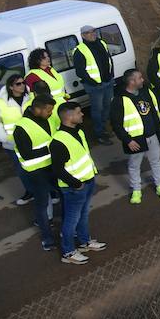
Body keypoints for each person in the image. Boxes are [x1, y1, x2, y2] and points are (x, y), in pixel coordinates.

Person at [50, 102, 105, 265]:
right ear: (69, 116)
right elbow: (58, 170)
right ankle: (68, 252)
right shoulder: (58, 141)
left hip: (87, 181)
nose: (82, 115)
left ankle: (84, 242)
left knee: (83, 214)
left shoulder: (78, 131)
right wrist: (76, 184)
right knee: (71, 220)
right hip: (75, 188)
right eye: (79, 112)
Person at [112, 69, 160, 204]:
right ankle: (136, 190)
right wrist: (128, 140)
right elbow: (116, 124)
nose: (143, 80)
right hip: (135, 141)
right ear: (132, 81)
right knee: (134, 166)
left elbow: (157, 110)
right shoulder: (119, 100)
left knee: (156, 161)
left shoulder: (146, 92)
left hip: (152, 136)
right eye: (139, 78)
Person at [13, 96, 59, 250]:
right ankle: (47, 238)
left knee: (63, 196)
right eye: (48, 110)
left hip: (53, 167)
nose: (51, 113)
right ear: (37, 109)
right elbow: (26, 154)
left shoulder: (49, 118)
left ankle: (66, 231)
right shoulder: (21, 128)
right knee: (42, 205)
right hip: (36, 172)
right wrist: (52, 149)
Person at [0, 73, 31, 204]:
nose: (22, 86)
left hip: (34, 140)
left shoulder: (31, 98)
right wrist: (5, 138)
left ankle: (50, 192)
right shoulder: (2, 103)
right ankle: (30, 192)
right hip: (13, 144)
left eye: (23, 83)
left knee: (40, 168)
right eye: (18, 84)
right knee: (22, 170)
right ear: (11, 87)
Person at [72, 24, 116, 144]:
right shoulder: (79, 50)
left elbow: (109, 60)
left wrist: (111, 75)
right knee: (97, 110)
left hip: (107, 82)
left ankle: (106, 128)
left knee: (107, 107)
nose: (92, 34)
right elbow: (80, 71)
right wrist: (94, 82)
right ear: (82, 36)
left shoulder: (102, 43)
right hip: (95, 86)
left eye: (93, 31)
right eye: (88, 33)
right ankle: (99, 134)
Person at [24, 47, 66, 115]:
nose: (48, 58)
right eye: (44, 57)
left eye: (48, 56)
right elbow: (36, 97)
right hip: (50, 109)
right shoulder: (32, 76)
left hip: (62, 104)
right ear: (37, 60)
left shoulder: (50, 69)